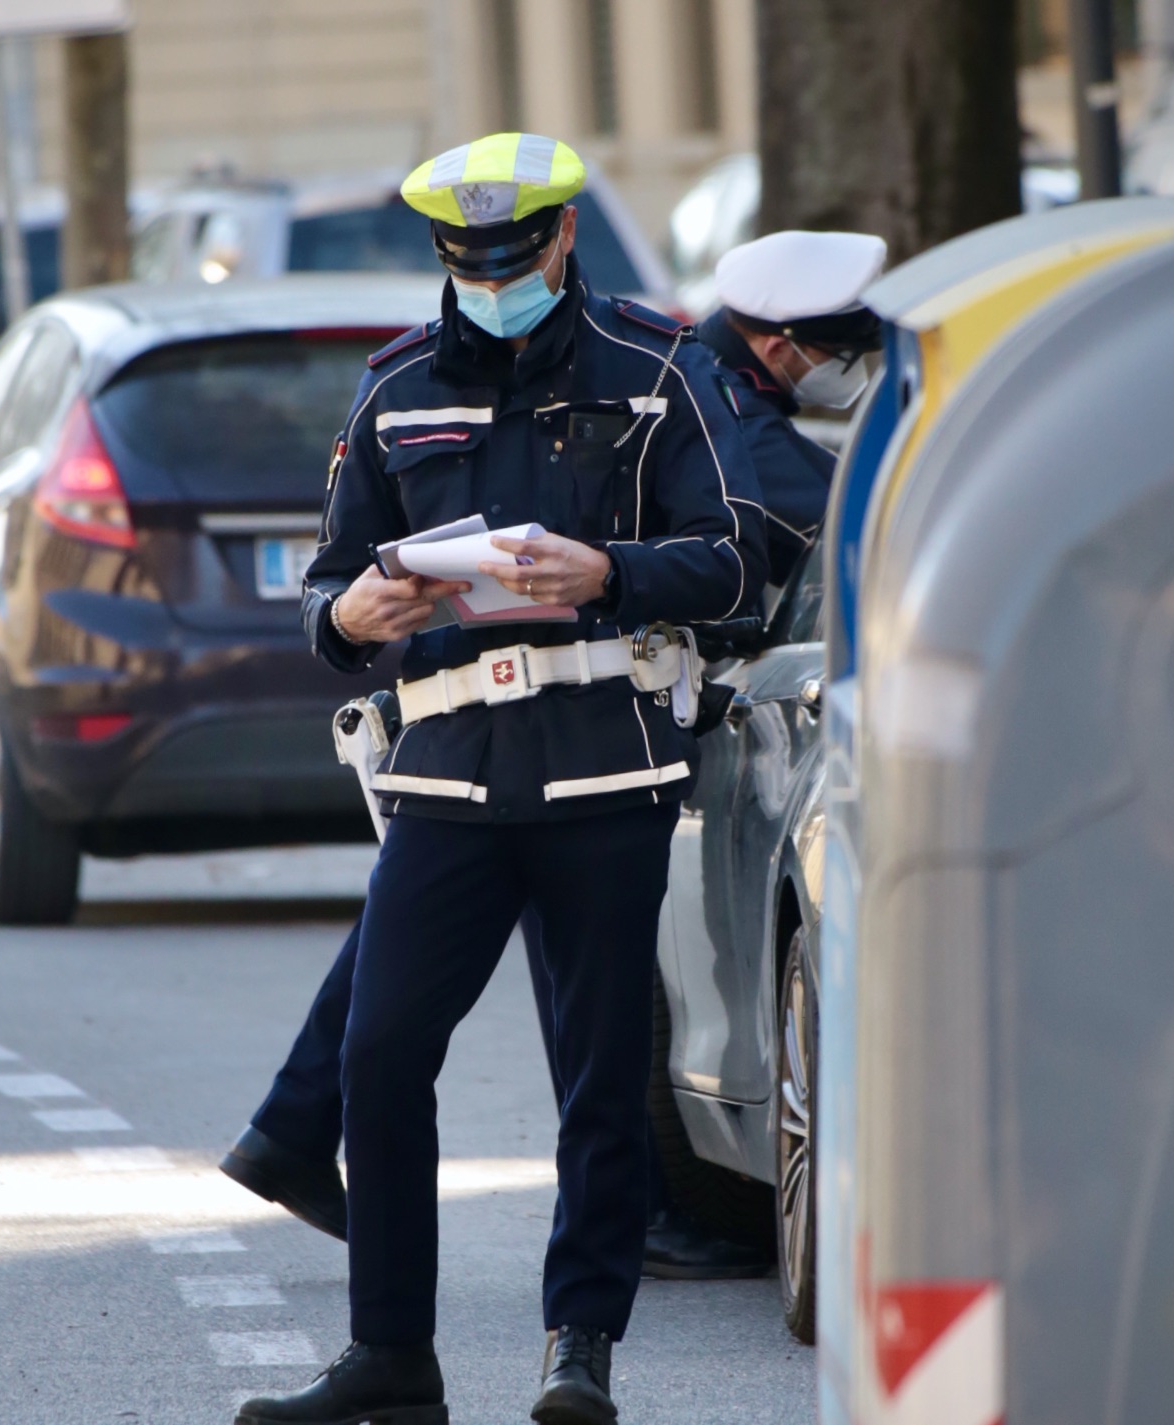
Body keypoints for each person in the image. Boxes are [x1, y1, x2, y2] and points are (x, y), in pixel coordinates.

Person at [219, 230, 889, 1279]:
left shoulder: (669, 374)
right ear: (784, 343)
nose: (850, 370)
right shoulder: (705, 399)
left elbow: (723, 561)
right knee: (553, 1014)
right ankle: (340, 1166)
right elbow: (816, 538)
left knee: (564, 999)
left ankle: (305, 1132)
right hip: (527, 723)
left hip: (592, 738)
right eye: (842, 347)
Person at [233, 134, 766, 1425]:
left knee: (596, 1075)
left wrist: (611, 573)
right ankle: (390, 1356)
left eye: (512, 254)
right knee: (378, 1051)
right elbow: (328, 583)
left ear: (563, 237)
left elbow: (731, 558)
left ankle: (581, 1341)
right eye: (466, 259)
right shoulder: (396, 387)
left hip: (606, 757)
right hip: (449, 769)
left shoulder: (652, 373)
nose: (490, 277)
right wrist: (347, 613)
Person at [695, 228, 888, 583]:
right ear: (778, 349)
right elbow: (851, 541)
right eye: (842, 357)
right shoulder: (732, 422)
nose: (853, 370)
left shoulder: (709, 371)